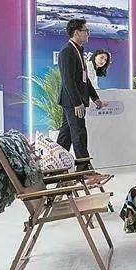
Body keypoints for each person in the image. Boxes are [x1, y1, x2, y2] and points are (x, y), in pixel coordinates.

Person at [56, 19, 105, 171]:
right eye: (86, 31)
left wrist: (95, 98)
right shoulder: (67, 51)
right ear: (77, 32)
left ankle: (55, 166)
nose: (88, 34)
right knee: (79, 134)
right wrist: (77, 103)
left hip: (74, 101)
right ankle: (85, 170)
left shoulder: (78, 50)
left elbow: (84, 78)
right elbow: (68, 81)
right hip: (72, 102)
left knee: (65, 137)